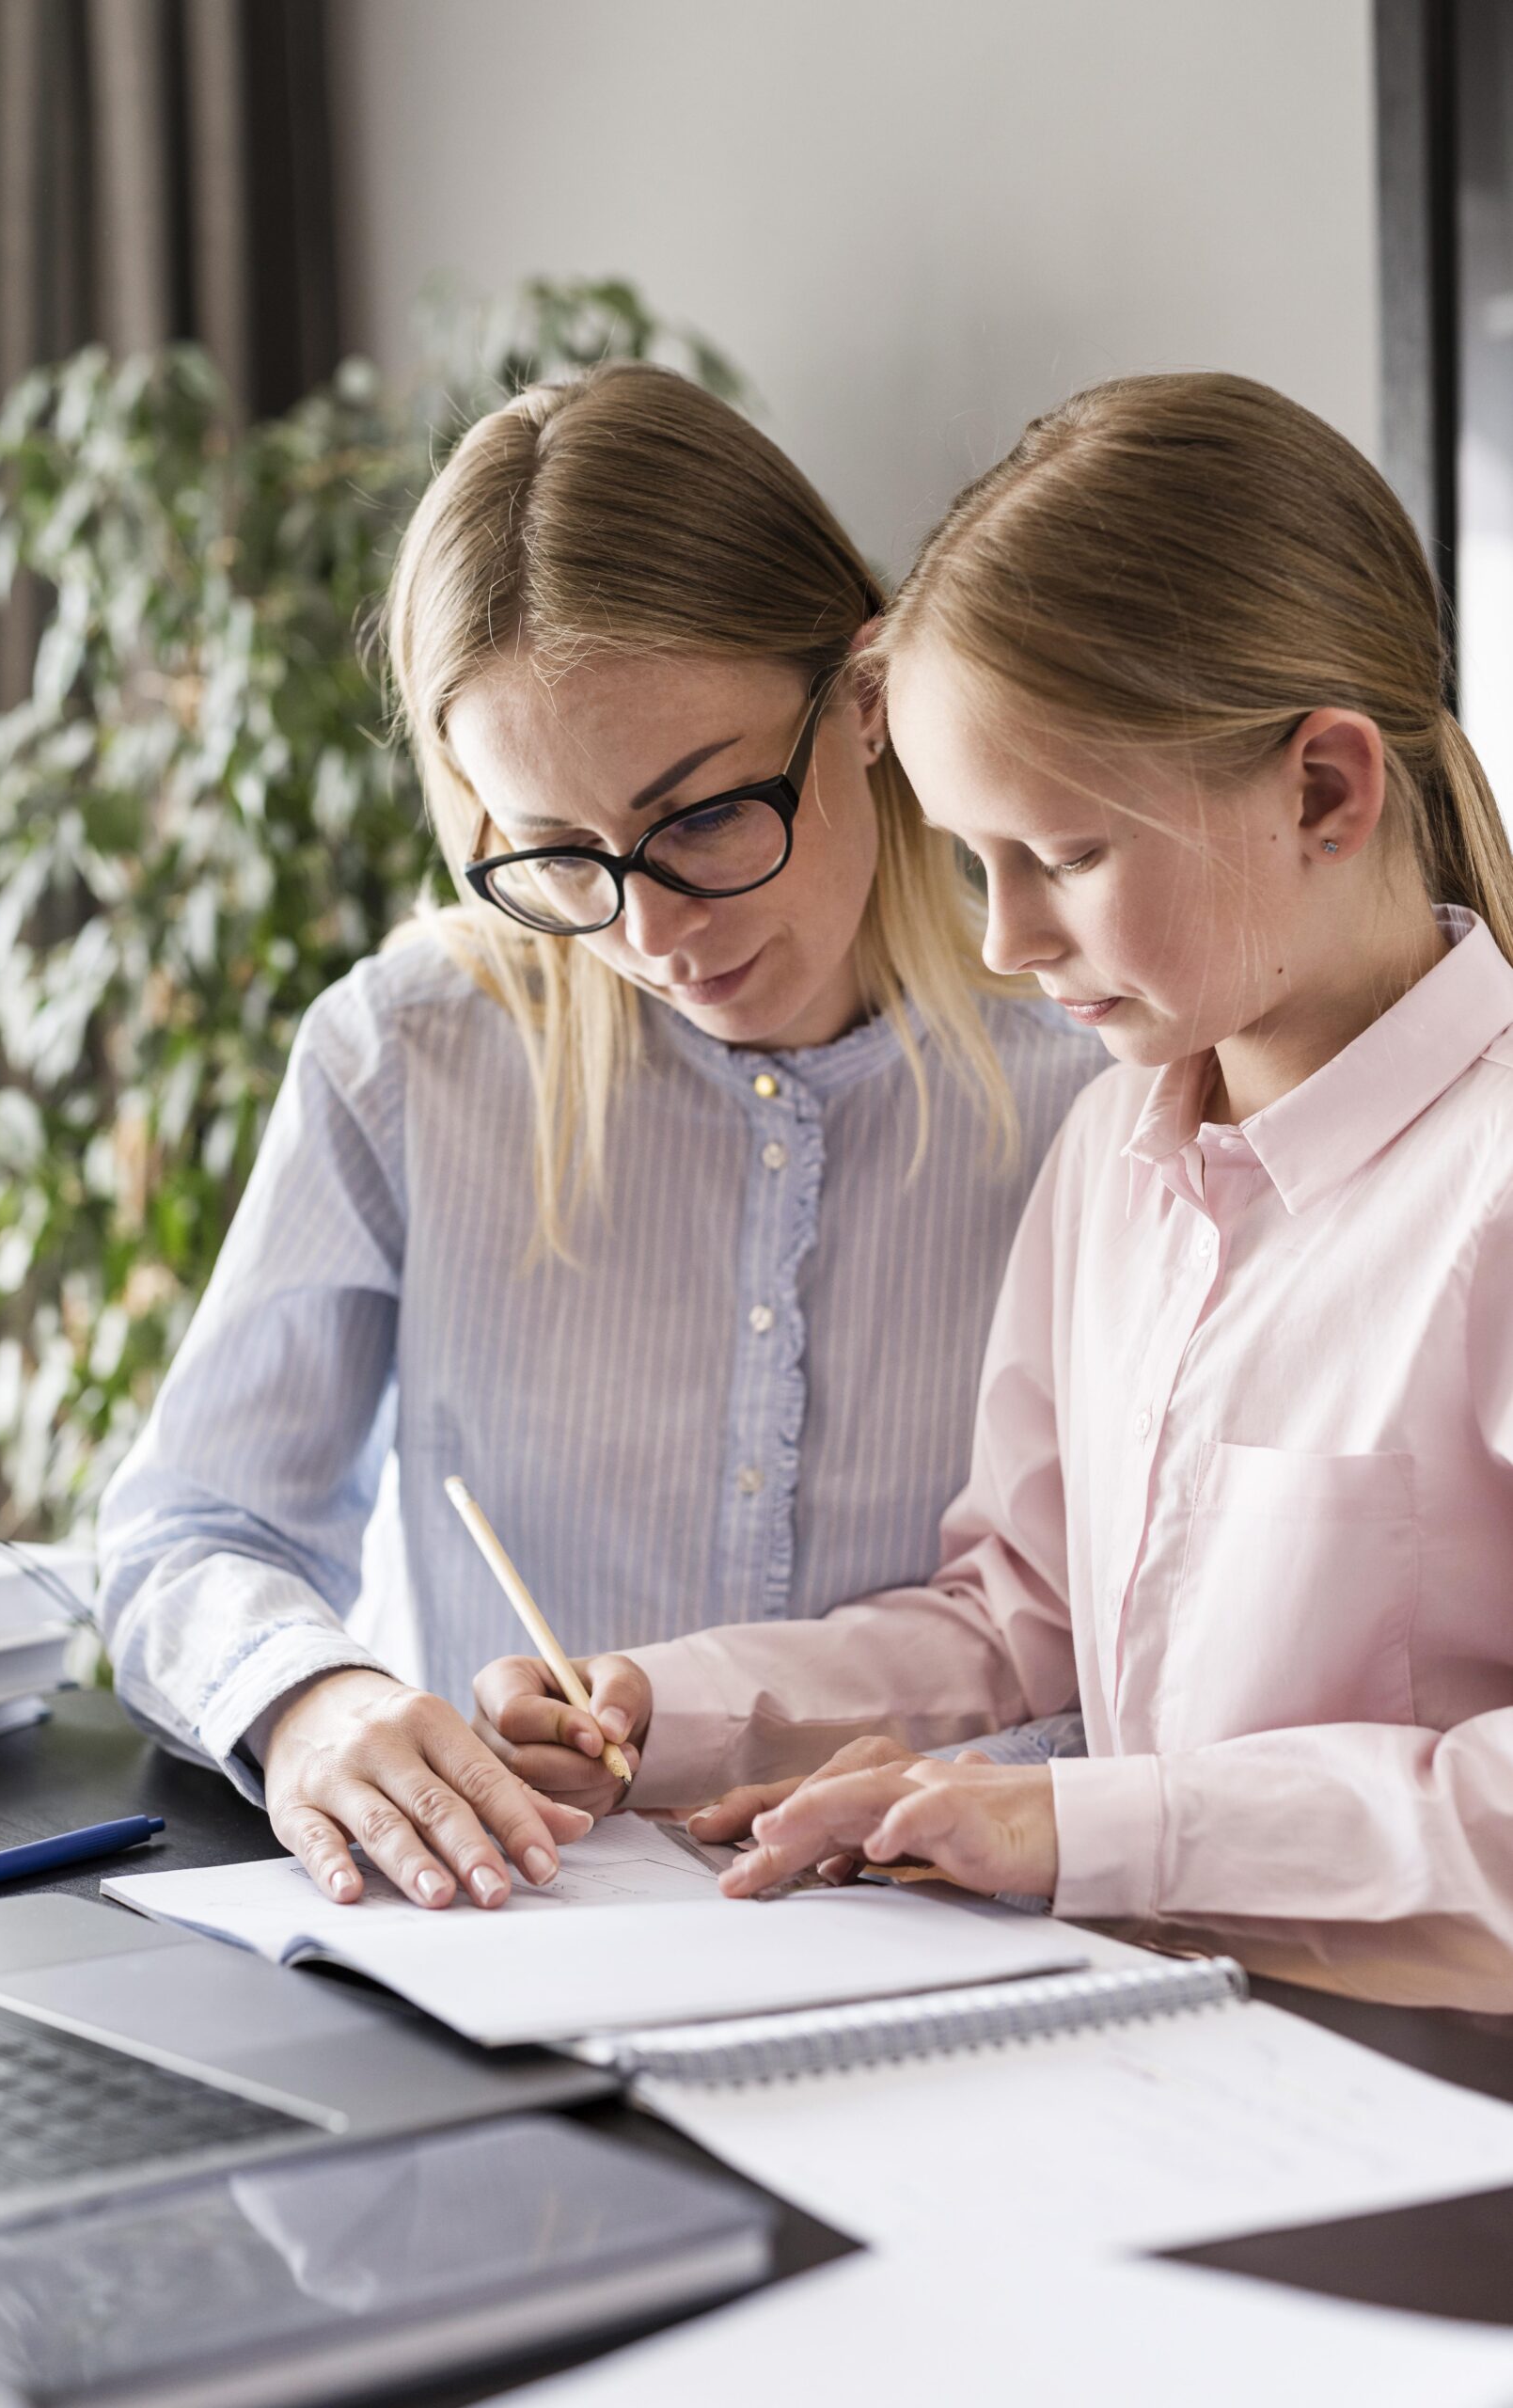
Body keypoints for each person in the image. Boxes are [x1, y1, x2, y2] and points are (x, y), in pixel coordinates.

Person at [481, 372, 1513, 2009]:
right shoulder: (1114, 1158)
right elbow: (1018, 1628)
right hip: (1147, 2055)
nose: (1001, 943)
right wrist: (656, 1712)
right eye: (973, 860)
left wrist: (1095, 1826)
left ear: (1325, 788)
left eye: (1068, 858)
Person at [94, 363, 1099, 1914]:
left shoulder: (1093, 1081)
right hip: (506, 1948)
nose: (647, 930)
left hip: (946, 1944)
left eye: (701, 815)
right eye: (558, 853)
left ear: (871, 696)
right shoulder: (414, 1051)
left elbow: (1118, 1643)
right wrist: (313, 1704)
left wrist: (1011, 1776)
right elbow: (192, 1528)